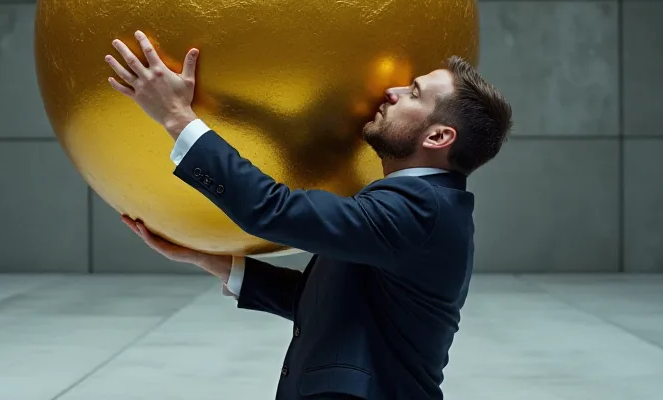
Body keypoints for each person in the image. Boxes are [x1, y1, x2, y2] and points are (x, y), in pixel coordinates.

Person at [105, 30, 513, 400]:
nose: (392, 90)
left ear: (438, 136)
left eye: (414, 93)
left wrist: (177, 117)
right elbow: (328, 301)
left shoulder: (420, 209)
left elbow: (272, 210)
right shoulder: (421, 204)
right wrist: (206, 258)